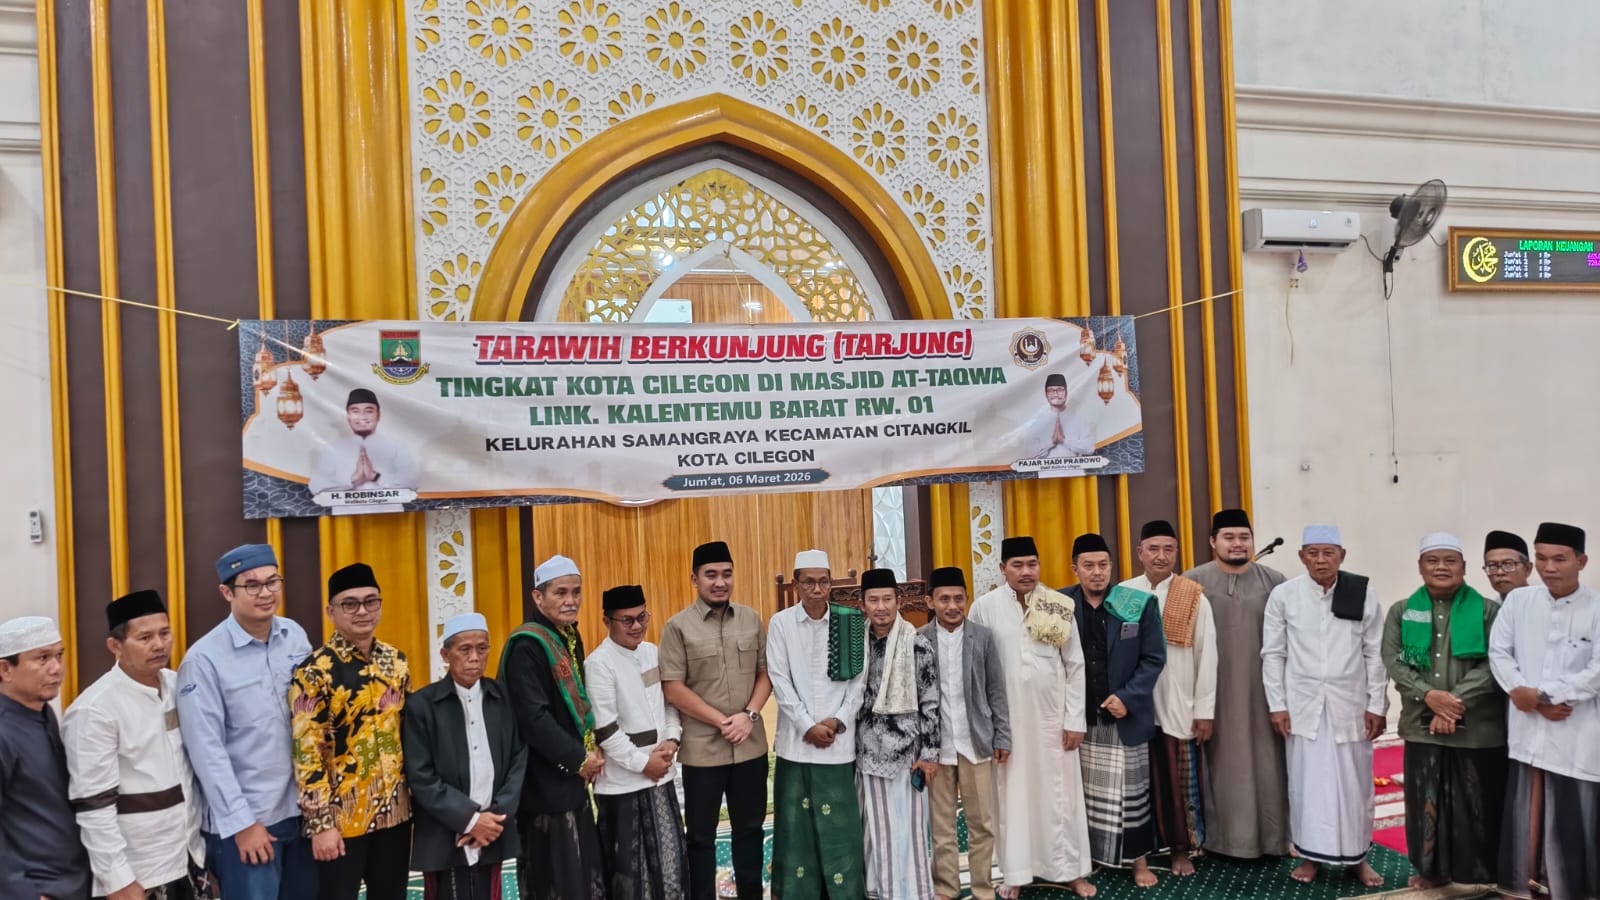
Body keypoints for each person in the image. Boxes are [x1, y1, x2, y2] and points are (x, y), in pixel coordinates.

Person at [178, 544, 315, 900]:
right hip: (250, 823)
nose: (266, 593)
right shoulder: (203, 660)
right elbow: (206, 751)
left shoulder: (294, 636)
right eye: (252, 585)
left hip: (301, 813)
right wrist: (242, 824)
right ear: (227, 592)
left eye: (272, 581)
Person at [969, 536, 1095, 899]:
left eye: (1032, 564)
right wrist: (989, 728)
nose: (1026, 572)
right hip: (1007, 725)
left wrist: (1074, 720)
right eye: (1018, 565)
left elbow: (1075, 664)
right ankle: (1016, 873)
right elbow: (976, 670)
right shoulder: (985, 608)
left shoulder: (1057, 604)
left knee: (1062, 796)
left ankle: (1072, 871)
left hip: (1053, 722)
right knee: (1012, 798)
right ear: (1002, 569)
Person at [1262, 525, 1387, 887]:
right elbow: (1273, 654)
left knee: (1355, 784)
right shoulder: (1284, 595)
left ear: (1341, 556)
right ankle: (1311, 857)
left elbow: (1375, 653)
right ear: (1302, 556)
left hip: (1351, 706)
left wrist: (1377, 704)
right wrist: (1277, 704)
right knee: (1307, 784)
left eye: (1328, 553)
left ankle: (1358, 858)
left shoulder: (1360, 592)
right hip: (1302, 707)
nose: (1321, 560)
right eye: (1313, 553)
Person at [1380, 532, 1506, 890]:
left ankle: (1481, 874)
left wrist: (1450, 703)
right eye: (1432, 561)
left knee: (1477, 801)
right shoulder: (1402, 611)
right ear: (1420, 567)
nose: (1441, 567)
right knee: (1426, 801)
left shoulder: (1488, 611)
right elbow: (1394, 661)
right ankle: (1430, 870)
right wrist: (1429, 696)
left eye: (1450, 561)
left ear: (1464, 567)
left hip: (1478, 727)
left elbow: (1494, 662)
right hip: (1422, 726)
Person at [62, 591, 205, 900]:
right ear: (115, 646)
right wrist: (118, 880)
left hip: (191, 855)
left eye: (164, 633)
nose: (159, 644)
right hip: (140, 871)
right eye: (145, 638)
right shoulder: (94, 711)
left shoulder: (178, 685)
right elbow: (93, 807)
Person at [1490, 521, 1600, 900]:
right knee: (1525, 809)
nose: (1548, 567)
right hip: (1528, 728)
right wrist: (1527, 696)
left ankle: (1572, 890)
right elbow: (1499, 652)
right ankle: (1523, 887)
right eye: (1541, 558)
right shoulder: (1519, 601)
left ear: (1581, 561)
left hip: (1575, 729)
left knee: (1574, 813)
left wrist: (1544, 696)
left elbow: (1596, 672)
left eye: (1559, 559)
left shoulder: (1596, 608)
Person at [289, 563, 412, 900]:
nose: (362, 611)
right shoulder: (315, 671)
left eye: (370, 601)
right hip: (341, 822)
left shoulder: (396, 662)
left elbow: (407, 735)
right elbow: (307, 754)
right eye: (350, 603)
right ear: (331, 612)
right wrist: (320, 824)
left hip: (395, 815)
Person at [658, 541, 772, 900]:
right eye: (710, 575)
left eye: (726, 574)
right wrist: (724, 722)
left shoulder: (751, 619)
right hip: (702, 753)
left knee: (750, 831)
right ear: (695, 579)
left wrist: (749, 715)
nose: (720, 582)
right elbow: (673, 687)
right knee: (701, 838)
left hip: (750, 746)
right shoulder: (677, 627)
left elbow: (766, 673)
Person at [1182, 508, 1290, 859]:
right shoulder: (1191, 583)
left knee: (1270, 766)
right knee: (1220, 768)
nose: (1237, 543)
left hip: (1265, 696)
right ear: (1213, 541)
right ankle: (1220, 841)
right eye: (1228, 537)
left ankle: (1274, 839)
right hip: (1212, 696)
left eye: (1244, 537)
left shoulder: (1275, 582)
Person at [500, 554, 606, 900]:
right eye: (560, 593)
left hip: (571, 779)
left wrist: (589, 747)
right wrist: (579, 759)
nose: (570, 600)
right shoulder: (528, 645)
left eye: (576, 592)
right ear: (538, 597)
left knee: (581, 875)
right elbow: (533, 720)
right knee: (555, 879)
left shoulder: (567, 635)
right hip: (543, 786)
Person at [1063, 533, 1166, 888]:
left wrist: (1128, 697)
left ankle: (1139, 862)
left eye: (1103, 565)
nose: (1097, 572)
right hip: (1079, 718)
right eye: (1088, 565)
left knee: (1131, 794)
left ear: (1112, 566)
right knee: (1083, 796)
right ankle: (1087, 857)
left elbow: (1154, 658)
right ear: (1074, 568)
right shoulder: (1060, 604)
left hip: (1123, 714)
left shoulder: (1135, 603)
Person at [765, 549, 869, 898]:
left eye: (823, 581)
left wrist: (837, 721)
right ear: (796, 584)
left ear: (830, 584)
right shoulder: (780, 624)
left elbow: (859, 684)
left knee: (840, 830)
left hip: (838, 745)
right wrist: (807, 725)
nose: (816, 589)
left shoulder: (850, 622)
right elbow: (780, 681)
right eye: (808, 582)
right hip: (795, 745)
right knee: (796, 831)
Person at [403, 613, 528, 900]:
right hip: (444, 832)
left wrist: (494, 818)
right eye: (465, 649)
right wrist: (470, 820)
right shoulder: (422, 705)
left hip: (494, 828)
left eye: (482, 649)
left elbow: (518, 760)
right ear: (445, 654)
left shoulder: (504, 697)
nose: (474, 658)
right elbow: (421, 777)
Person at [1120, 520, 1215, 878]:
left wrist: (1204, 711)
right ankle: (1139, 852)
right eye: (1154, 549)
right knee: (1138, 784)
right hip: (1135, 705)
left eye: (1168, 549)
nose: (1161, 556)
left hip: (1179, 704)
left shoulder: (1193, 596)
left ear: (1177, 552)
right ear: (1140, 552)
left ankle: (1180, 850)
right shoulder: (1124, 594)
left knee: (1179, 783)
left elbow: (1208, 656)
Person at [585, 585, 689, 900]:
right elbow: (605, 729)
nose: (637, 626)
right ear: (607, 622)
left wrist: (672, 739)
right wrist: (644, 764)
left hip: (661, 778)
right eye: (627, 620)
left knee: (671, 871)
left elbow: (669, 703)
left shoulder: (652, 652)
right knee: (630, 879)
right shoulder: (599, 664)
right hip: (622, 788)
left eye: (642, 617)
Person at [919, 566, 1010, 900]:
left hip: (976, 742)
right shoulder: (919, 639)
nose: (952, 606)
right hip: (937, 747)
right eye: (944, 599)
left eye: (959, 598)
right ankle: (946, 888)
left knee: (981, 823)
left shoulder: (982, 637)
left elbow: (996, 690)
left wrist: (1002, 736)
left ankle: (983, 888)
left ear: (967, 599)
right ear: (930, 602)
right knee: (941, 825)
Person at [855, 569, 941, 900]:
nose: (881, 607)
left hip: (907, 756)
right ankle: (876, 891)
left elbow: (930, 703)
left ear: (899, 601)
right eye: (873, 600)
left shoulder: (917, 644)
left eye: (887, 599)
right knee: (873, 831)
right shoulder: (856, 644)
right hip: (866, 754)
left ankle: (911, 892)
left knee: (907, 830)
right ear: (863, 604)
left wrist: (929, 754)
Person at [0, 615, 89, 900]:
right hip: (38, 889)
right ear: (5, 669)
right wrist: (23, 893)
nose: (56, 668)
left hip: (72, 881)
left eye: (59, 655)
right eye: (42, 658)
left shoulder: (42, 711)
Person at [308, 388, 420, 495]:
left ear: (378, 415)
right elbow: (316, 487)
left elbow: (412, 483)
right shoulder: (333, 448)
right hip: (347, 509)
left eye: (369, 411)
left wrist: (375, 476)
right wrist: (354, 479)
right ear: (348, 416)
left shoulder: (397, 445)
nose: (362, 417)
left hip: (389, 508)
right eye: (355, 411)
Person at [1023, 373, 1094, 463]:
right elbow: (1030, 454)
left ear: (1066, 393)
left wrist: (1064, 440)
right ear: (1046, 395)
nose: (1056, 394)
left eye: (1060, 390)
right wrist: (1051, 442)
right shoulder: (1037, 423)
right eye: (1051, 390)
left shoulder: (1079, 420)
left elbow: (1089, 448)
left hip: (1073, 470)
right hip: (1046, 471)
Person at [1483, 530, 1533, 602]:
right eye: (1492, 565)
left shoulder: (1543, 603)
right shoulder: (1491, 607)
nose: (1500, 572)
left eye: (1508, 564)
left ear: (1527, 569)